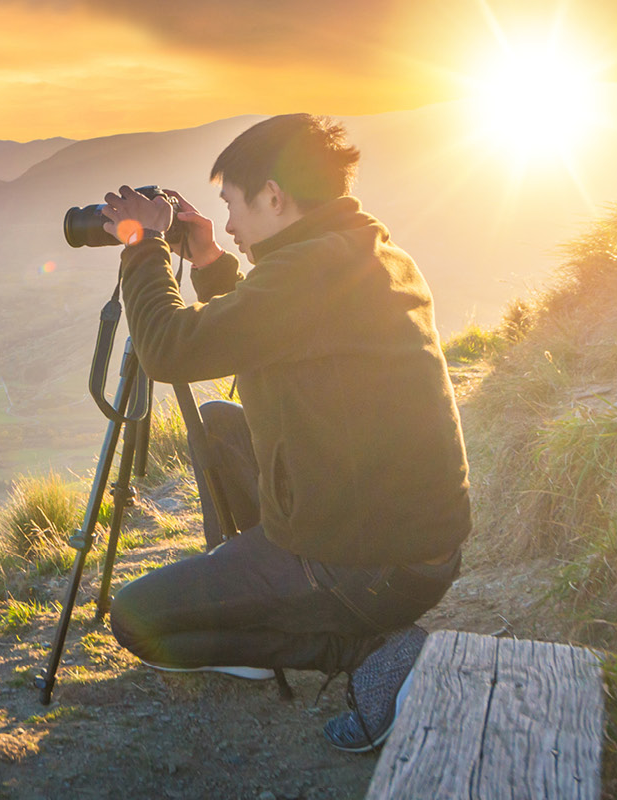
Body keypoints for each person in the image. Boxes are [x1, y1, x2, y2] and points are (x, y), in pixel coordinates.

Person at [93, 113, 472, 752]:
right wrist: (208, 258)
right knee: (218, 426)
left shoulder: (309, 271)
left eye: (233, 207)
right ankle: (265, 591)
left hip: (371, 565)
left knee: (136, 617)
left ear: (274, 194)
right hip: (408, 539)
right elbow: (269, 323)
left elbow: (168, 350)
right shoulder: (355, 250)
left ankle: (369, 648)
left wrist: (142, 241)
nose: (232, 225)